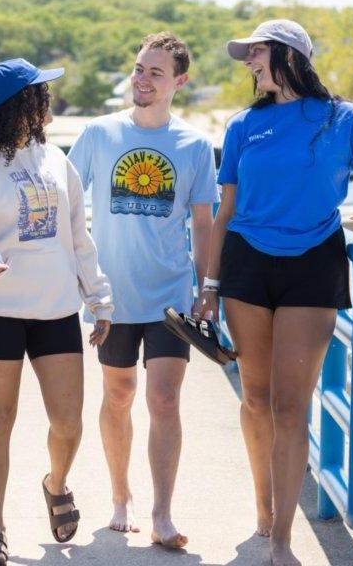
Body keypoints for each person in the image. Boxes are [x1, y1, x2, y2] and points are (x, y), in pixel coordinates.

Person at [195, 19, 353, 566]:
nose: (250, 62)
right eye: (248, 54)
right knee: (255, 397)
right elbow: (225, 212)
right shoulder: (241, 126)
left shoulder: (343, 118)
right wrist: (209, 285)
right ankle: (264, 509)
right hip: (247, 268)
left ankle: (281, 539)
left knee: (289, 405)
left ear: (288, 54)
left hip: (313, 265)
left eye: (257, 52)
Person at [0, 58, 113, 565]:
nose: (49, 100)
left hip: (56, 309)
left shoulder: (55, 160)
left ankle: (55, 483)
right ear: (22, 103)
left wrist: (99, 297)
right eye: (41, 92)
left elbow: (78, 236)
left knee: (68, 423)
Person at [68, 32, 218, 548]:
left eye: (155, 72)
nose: (142, 79)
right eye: (138, 69)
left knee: (165, 399)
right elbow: (64, 201)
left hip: (171, 297)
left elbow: (203, 223)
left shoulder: (195, 146)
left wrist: (208, 288)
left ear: (180, 81)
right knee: (119, 393)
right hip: (111, 294)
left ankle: (162, 513)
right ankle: (119, 495)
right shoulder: (98, 134)